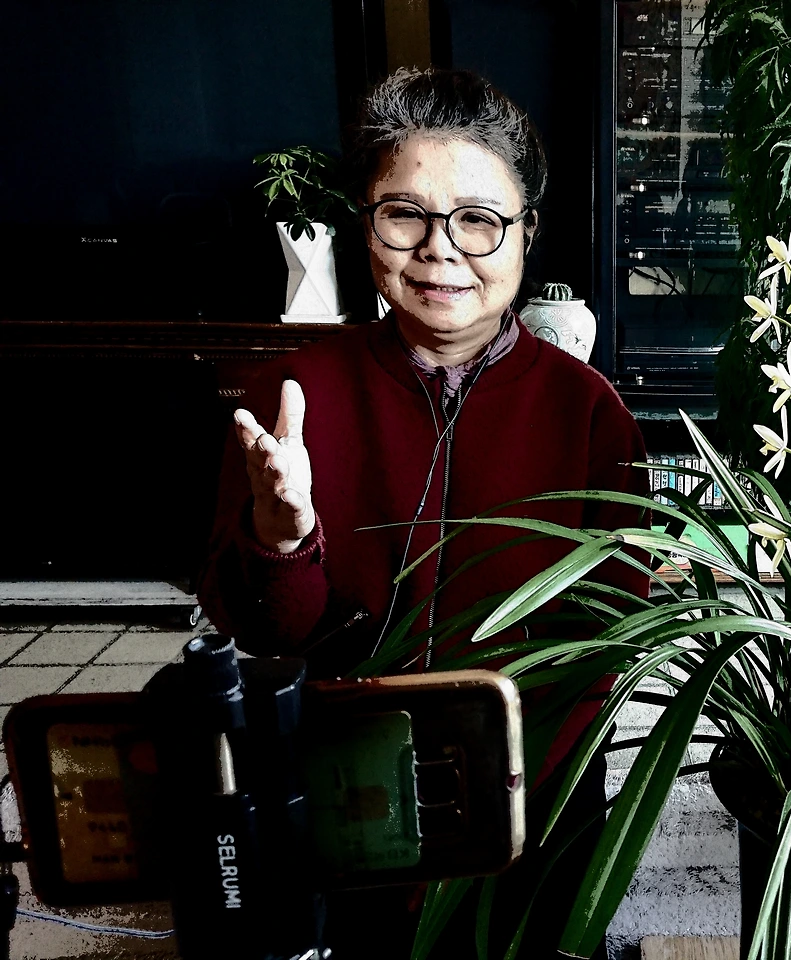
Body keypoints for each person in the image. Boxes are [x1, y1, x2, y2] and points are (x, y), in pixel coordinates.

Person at [197, 67, 649, 958]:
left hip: (530, 798)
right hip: (339, 783)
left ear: (527, 232)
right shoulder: (291, 397)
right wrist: (283, 540)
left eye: (478, 220)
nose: (439, 251)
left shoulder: (589, 413)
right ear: (366, 222)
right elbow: (261, 631)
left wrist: (507, 786)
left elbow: (607, 643)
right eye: (404, 214)